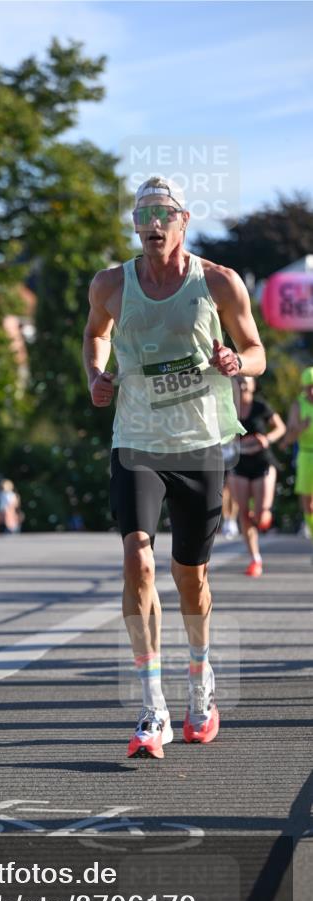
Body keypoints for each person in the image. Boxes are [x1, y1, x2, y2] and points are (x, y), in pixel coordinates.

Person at [83, 176, 266, 759]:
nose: (153, 225)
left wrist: (238, 361)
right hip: (136, 441)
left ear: (184, 220)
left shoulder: (218, 282)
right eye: (143, 216)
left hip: (200, 446)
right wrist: (97, 374)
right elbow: (96, 334)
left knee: (191, 575)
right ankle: (151, 705)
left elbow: (258, 350)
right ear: (135, 225)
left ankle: (200, 680)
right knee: (137, 555)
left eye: (164, 215)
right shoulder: (111, 283)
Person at [228, 376, 285, 576]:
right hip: (240, 463)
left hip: (263, 463)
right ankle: (255, 559)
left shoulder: (261, 406)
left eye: (246, 380)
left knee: (261, 515)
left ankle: (263, 517)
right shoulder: (229, 408)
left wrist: (266, 439)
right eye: (239, 380)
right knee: (243, 513)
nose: (243, 383)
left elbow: (280, 428)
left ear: (253, 385)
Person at [283, 365, 313, 547]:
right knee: (308, 504)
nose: (312, 390)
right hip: (306, 454)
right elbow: (288, 438)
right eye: (309, 386)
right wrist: (300, 428)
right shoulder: (297, 405)